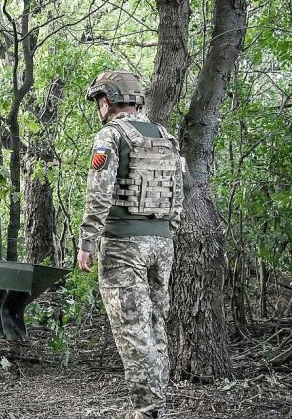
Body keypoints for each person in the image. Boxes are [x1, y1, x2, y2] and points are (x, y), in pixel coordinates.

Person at [76, 71, 184, 419]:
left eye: (98, 101)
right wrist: (167, 231)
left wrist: (87, 241)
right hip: (162, 243)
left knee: (133, 331)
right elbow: (179, 194)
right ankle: (156, 404)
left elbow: (99, 194)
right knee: (155, 324)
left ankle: (148, 411)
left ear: (107, 101)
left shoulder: (111, 135)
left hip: (124, 244)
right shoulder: (165, 136)